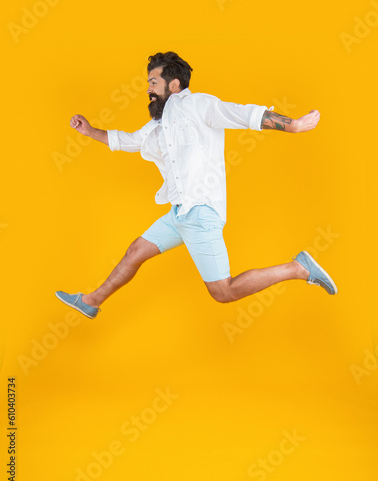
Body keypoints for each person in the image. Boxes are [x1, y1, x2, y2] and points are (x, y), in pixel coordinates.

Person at [55, 51, 337, 319]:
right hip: (180, 213)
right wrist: (90, 130)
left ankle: (298, 268)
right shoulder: (159, 124)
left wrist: (294, 125)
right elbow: (128, 140)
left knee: (223, 292)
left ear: (174, 84)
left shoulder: (197, 105)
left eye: (153, 82)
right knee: (135, 252)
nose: (148, 90)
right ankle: (91, 302)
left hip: (201, 212)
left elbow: (244, 114)